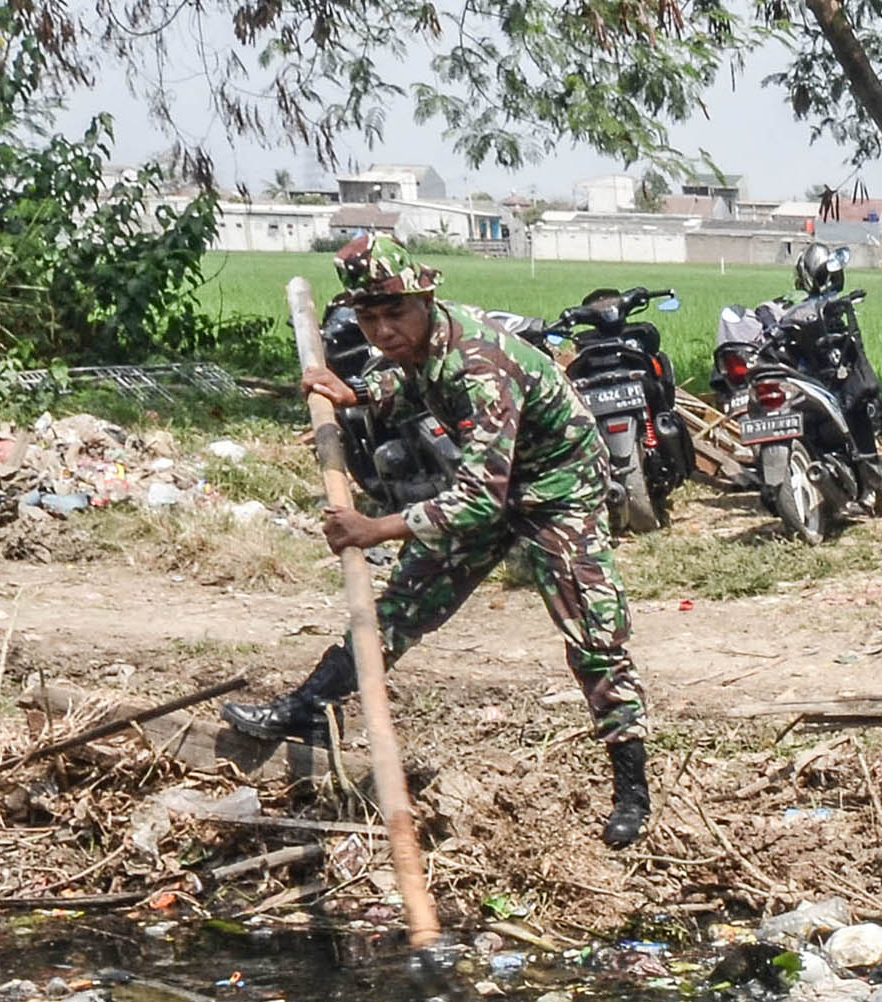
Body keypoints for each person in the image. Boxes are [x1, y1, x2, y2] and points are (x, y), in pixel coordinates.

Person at [227, 234, 654, 849]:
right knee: (401, 604)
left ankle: (631, 789)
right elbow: (416, 384)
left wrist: (376, 528)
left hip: (558, 489)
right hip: (490, 485)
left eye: (393, 313)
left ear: (425, 300)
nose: (381, 331)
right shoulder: (423, 346)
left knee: (593, 633)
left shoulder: (483, 362)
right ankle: (309, 709)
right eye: (368, 318)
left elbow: (480, 495)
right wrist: (359, 393)